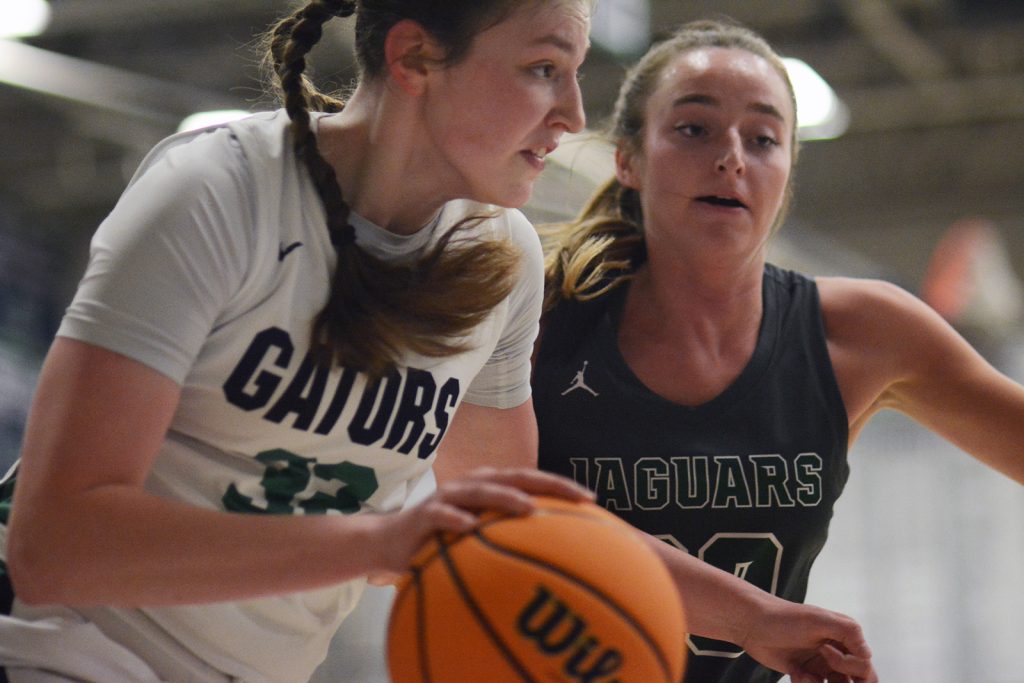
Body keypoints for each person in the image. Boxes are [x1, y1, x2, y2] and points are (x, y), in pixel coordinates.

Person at [0, 2, 873, 680]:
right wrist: (378, 541)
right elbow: (54, 543)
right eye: (542, 69)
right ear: (415, 56)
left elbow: (532, 531)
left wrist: (760, 620)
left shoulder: (499, 257)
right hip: (50, 650)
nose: (572, 112)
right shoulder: (219, 192)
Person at [533, 18, 1024, 683]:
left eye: (763, 138)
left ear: (788, 173)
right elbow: (502, 517)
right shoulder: (536, 317)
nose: (732, 156)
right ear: (629, 159)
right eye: (693, 129)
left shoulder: (860, 332)